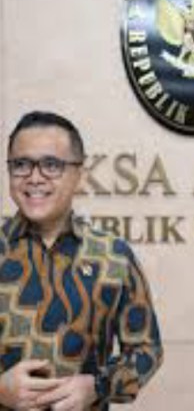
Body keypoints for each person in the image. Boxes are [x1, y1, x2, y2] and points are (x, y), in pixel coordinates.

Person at [0, 111, 163, 410]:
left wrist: (98, 386)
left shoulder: (113, 256)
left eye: (51, 165)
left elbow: (147, 350)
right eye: (21, 165)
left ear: (80, 175)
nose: (34, 177)